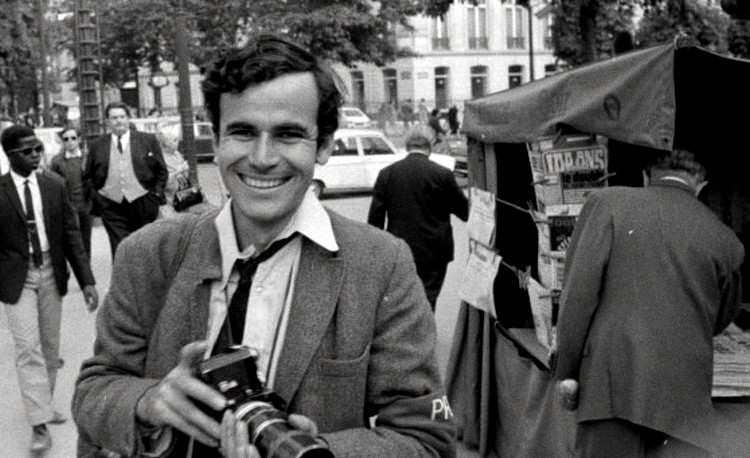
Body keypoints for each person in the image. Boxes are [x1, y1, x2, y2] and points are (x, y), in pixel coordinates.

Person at [73, 34, 455, 458]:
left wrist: (317, 452)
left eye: (288, 134)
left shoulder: (382, 265)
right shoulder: (148, 254)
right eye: (242, 132)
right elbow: (95, 390)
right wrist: (148, 402)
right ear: (215, 140)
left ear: (325, 145)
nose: (261, 157)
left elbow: (426, 439)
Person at [552, 149, 745, 457]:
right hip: (685, 398)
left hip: (611, 388)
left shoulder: (607, 204)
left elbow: (578, 299)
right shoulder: (725, 239)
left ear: (645, 177)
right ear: (701, 186)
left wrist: (567, 373)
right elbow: (720, 317)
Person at [0, 125, 99, 455]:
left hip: (50, 271)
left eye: (37, 149)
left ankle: (40, 404)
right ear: (9, 155)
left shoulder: (53, 185)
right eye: (26, 151)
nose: (34, 155)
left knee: (49, 348)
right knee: (28, 348)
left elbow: (71, 235)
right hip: (17, 277)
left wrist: (87, 281)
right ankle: (39, 424)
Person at [367, 126, 468, 310]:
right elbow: (464, 211)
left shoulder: (387, 174)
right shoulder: (442, 174)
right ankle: (425, 332)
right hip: (435, 250)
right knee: (429, 297)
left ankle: (406, 333)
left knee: (402, 297)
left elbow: (375, 218)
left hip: (399, 248)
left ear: (407, 146)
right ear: (429, 147)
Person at [83, 101, 168, 257]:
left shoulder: (147, 140)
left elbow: (161, 170)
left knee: (145, 246)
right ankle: (124, 280)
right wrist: (98, 198)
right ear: (107, 122)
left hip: (143, 201)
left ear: (129, 119)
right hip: (110, 204)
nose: (119, 121)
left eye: (122, 116)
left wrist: (155, 195)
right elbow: (88, 175)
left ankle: (145, 280)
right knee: (120, 249)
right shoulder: (97, 145)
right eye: (114, 118)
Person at [49, 126, 93, 257]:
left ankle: (87, 268)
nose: (70, 141)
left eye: (73, 138)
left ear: (79, 139)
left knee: (86, 238)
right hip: (68, 204)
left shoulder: (88, 157)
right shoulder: (57, 161)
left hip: (85, 204)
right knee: (72, 238)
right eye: (66, 139)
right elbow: (53, 183)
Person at [156, 124, 190, 207]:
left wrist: (185, 169)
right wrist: (177, 172)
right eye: (174, 140)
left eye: (177, 139)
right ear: (165, 143)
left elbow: (185, 175)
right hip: (169, 200)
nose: (177, 142)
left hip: (183, 194)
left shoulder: (176, 153)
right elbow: (162, 182)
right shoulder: (160, 158)